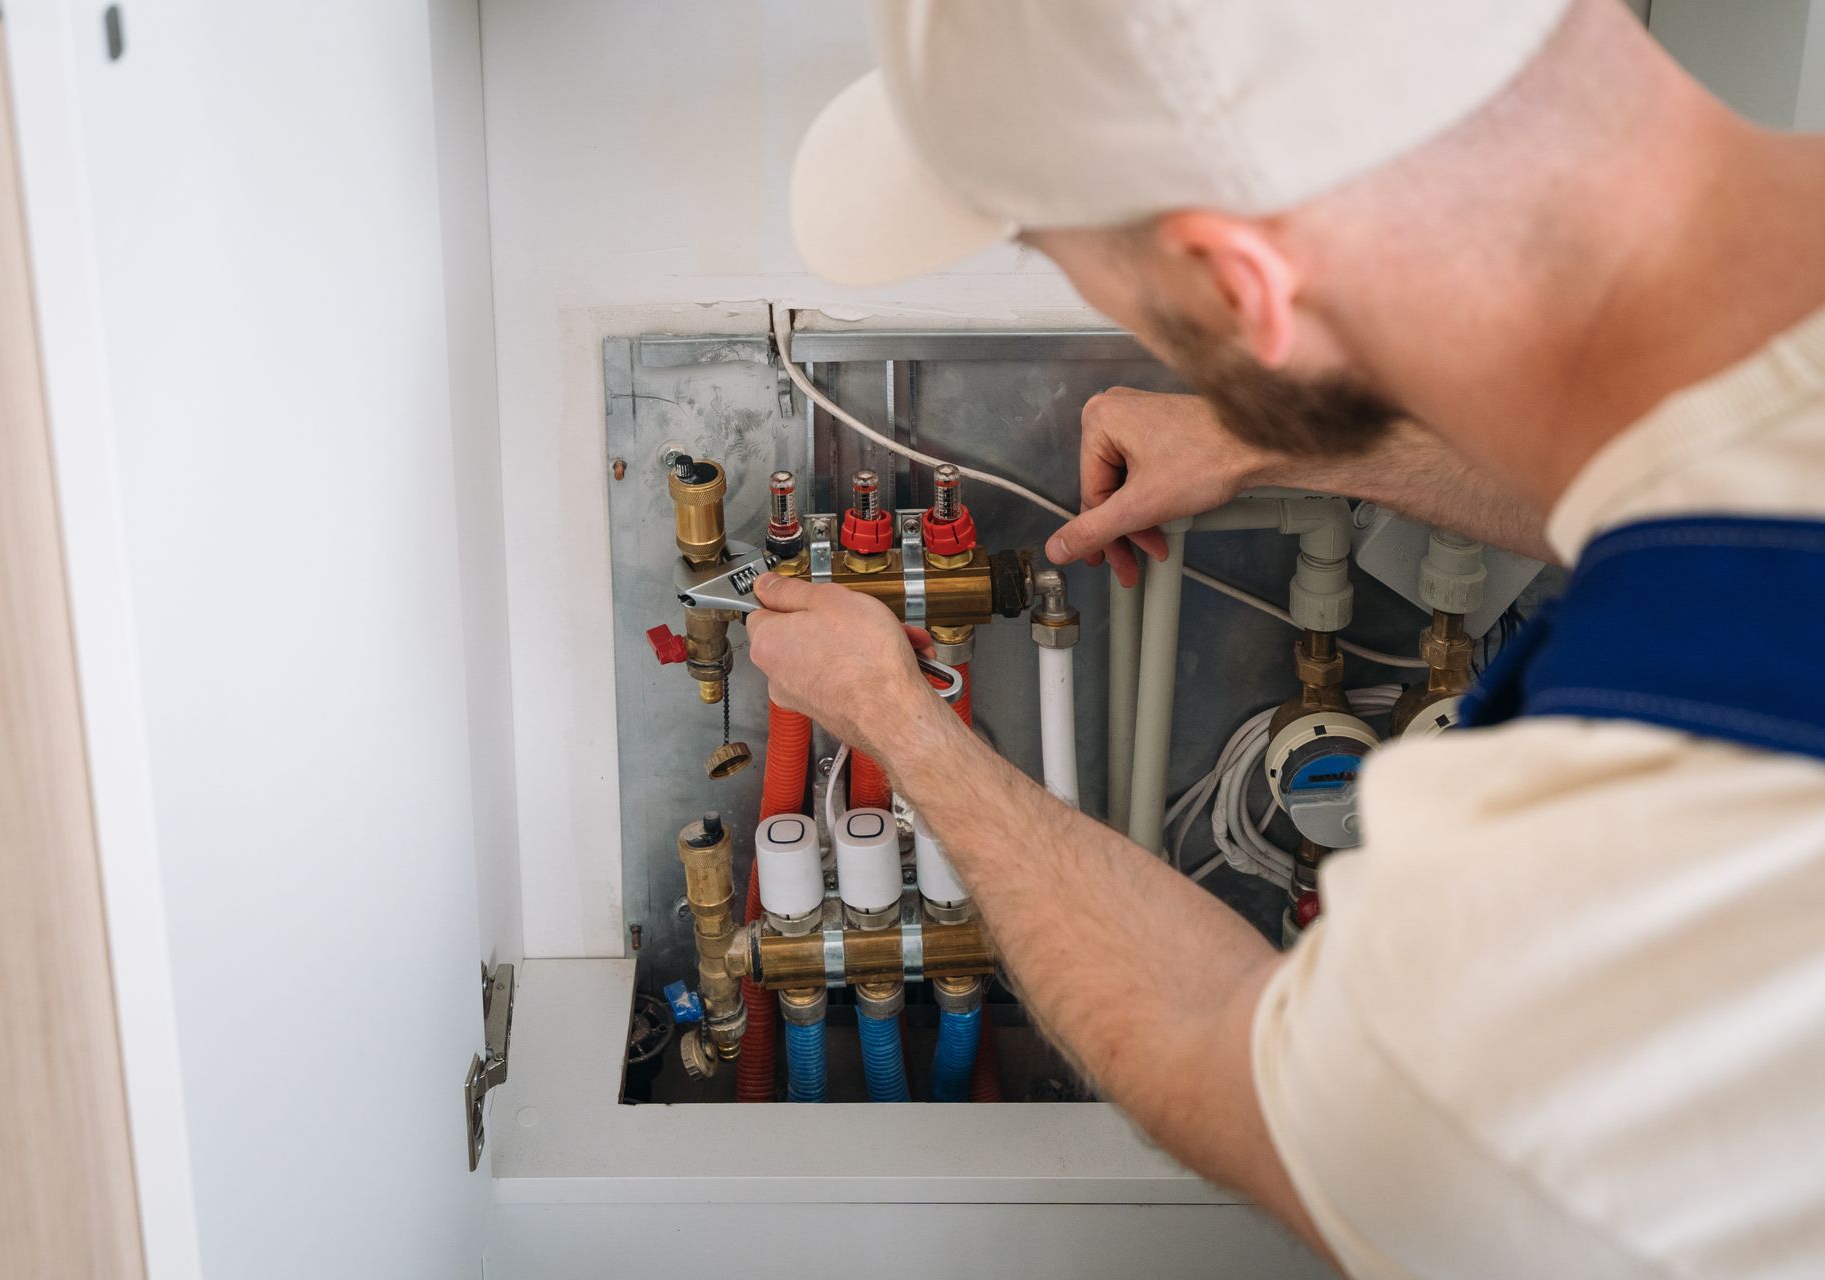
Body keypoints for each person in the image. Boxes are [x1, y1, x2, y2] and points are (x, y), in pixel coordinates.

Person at [746, 0, 1825, 1274]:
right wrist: (1288, 428)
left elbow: (1225, 1048)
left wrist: (900, 725)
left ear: (1250, 290)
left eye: (1055, 254)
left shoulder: (1616, 835)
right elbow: (1681, 469)